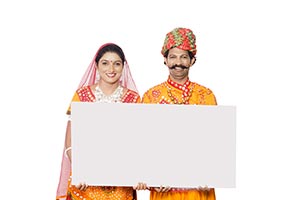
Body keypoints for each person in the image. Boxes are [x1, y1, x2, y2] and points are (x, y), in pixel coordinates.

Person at [56, 43, 147, 200]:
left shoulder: (133, 99)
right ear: (96, 66)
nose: (111, 69)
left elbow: (138, 142)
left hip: (120, 185)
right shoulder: (82, 96)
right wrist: (81, 169)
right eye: (105, 63)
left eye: (116, 64)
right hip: (84, 185)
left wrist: (138, 174)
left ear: (123, 67)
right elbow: (70, 141)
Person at [142, 27, 217, 200]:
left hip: (198, 188)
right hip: (163, 188)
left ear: (192, 61)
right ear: (165, 60)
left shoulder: (206, 95)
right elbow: (143, 142)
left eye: (184, 57)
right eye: (173, 57)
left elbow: (214, 140)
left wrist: (212, 173)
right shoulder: (150, 96)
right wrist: (149, 177)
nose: (178, 62)